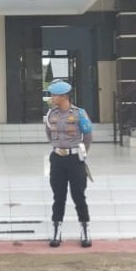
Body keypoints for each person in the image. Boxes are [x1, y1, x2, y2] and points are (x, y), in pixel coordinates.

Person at [43, 79, 93, 248]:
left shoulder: (80, 113)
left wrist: (82, 152)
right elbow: (49, 134)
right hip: (57, 158)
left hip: (75, 159)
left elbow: (88, 136)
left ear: (64, 96)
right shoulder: (51, 114)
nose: (52, 98)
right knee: (58, 196)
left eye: (54, 95)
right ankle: (57, 231)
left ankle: (85, 229)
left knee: (79, 195)